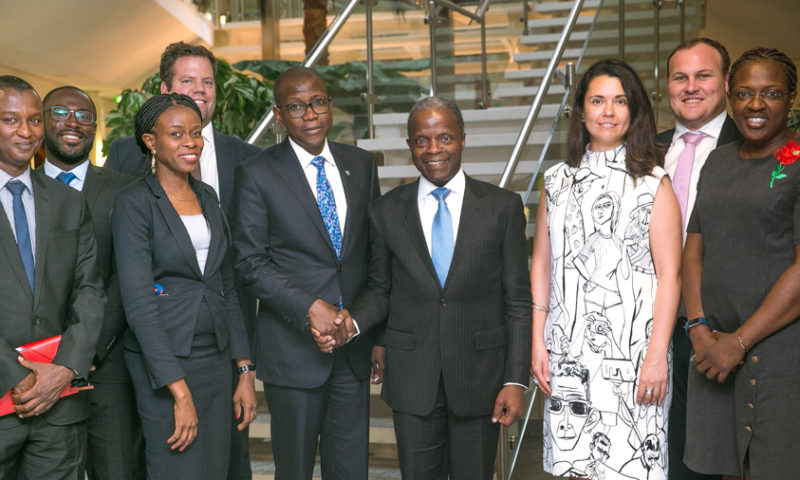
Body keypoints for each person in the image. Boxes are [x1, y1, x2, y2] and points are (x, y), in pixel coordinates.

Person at [348, 96, 531, 479]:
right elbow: (382, 289)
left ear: (462, 139)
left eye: (445, 138)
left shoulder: (503, 207)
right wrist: (355, 326)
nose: (433, 150)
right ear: (410, 146)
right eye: (421, 141)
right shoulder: (385, 212)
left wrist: (515, 379)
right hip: (413, 378)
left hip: (480, 378)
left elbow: (517, 301)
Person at [105, 42, 260, 479]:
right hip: (166, 362)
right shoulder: (135, 202)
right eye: (176, 134)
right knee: (176, 468)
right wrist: (178, 392)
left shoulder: (208, 197)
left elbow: (225, 285)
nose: (190, 143)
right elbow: (137, 302)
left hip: (217, 358)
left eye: (195, 133)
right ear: (151, 142)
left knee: (217, 468)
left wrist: (245, 370)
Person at [530, 59, 682, 480]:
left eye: (619, 101)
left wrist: (656, 355)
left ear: (633, 111)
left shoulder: (654, 182)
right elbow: (543, 263)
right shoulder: (556, 179)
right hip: (566, 350)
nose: (608, 111)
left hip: (635, 355)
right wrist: (537, 342)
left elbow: (671, 275)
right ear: (581, 111)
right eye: (597, 101)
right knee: (573, 464)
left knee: (630, 465)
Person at [230, 66, 380, 480]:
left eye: (317, 102)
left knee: (351, 472)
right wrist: (310, 307)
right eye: (296, 106)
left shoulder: (361, 165)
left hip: (351, 352)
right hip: (293, 354)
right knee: (293, 470)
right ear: (279, 116)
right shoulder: (257, 173)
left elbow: (372, 259)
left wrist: (361, 325)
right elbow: (249, 262)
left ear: (329, 106)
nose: (310, 114)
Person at [682, 47, 800, 479]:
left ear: (791, 99)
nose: (755, 104)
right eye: (745, 93)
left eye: (770, 93)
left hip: (780, 351)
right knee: (725, 468)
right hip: (711, 347)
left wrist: (739, 343)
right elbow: (694, 249)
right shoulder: (718, 160)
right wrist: (697, 327)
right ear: (731, 97)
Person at [0, 75, 105, 478]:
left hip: (59, 407)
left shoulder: (68, 202)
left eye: (32, 120)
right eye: (11, 120)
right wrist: (18, 377)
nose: (26, 132)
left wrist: (64, 369)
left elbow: (90, 291)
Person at [37, 85, 143, 480]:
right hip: (31, 370)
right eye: (60, 112)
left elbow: (127, 278)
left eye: (84, 116)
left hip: (109, 369)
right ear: (41, 121)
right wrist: (45, 361)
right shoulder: (16, 187)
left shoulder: (127, 191)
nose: (72, 123)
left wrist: (79, 356)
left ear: (95, 128)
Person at [657, 37, 741, 480]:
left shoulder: (753, 144)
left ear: (726, 83)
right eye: (680, 77)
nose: (691, 86)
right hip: (651, 330)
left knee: (719, 460)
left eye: (703, 75)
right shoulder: (643, 151)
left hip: (726, 329)